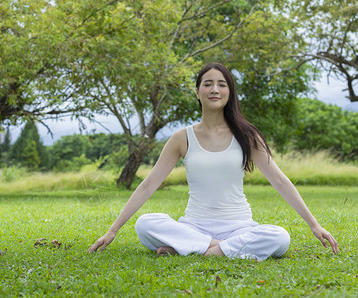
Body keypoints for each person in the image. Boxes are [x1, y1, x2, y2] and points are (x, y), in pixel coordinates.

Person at [88, 62, 339, 260]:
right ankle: (219, 248)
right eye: (208, 84)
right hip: (194, 225)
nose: (215, 90)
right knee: (145, 224)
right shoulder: (181, 138)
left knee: (280, 238)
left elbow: (279, 180)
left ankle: (194, 249)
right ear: (197, 92)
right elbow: (148, 185)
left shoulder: (247, 136)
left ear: (230, 92)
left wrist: (314, 225)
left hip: (239, 226)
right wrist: (113, 230)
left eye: (222, 84)